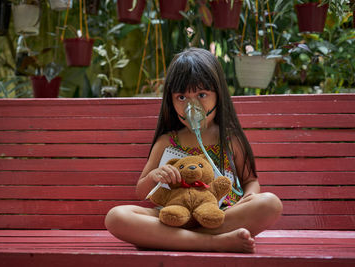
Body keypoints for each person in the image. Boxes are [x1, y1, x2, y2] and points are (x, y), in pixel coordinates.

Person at [105, 47, 282, 253]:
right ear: (170, 101)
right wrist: (155, 176)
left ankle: (172, 240)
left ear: (218, 95)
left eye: (202, 94)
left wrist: (250, 196)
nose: (192, 105)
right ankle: (215, 242)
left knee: (270, 203)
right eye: (182, 97)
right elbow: (141, 192)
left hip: (219, 215)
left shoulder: (230, 139)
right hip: (172, 215)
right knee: (116, 217)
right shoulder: (166, 141)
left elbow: (250, 180)